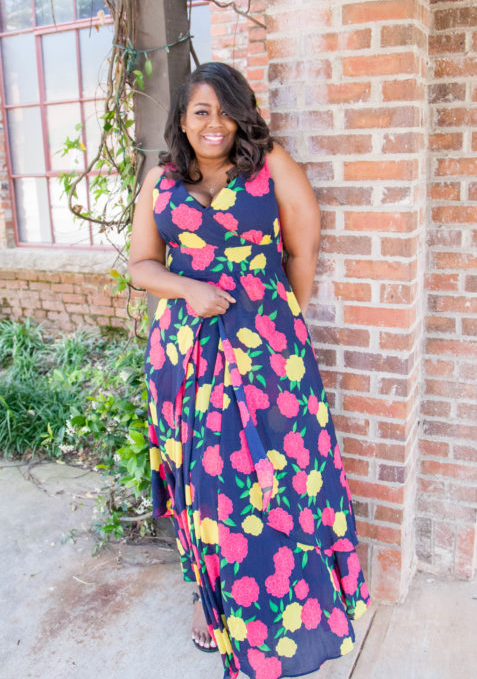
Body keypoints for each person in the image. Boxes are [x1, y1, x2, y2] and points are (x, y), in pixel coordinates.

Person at [129, 62, 371, 679]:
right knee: (202, 482)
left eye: (225, 111)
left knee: (283, 474)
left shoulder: (271, 167)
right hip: (184, 356)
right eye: (201, 111)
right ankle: (207, 598)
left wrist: (277, 323)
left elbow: (302, 249)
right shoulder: (160, 180)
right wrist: (189, 289)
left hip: (268, 350)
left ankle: (297, 604)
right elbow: (141, 265)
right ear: (182, 120)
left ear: (243, 115)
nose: (214, 123)